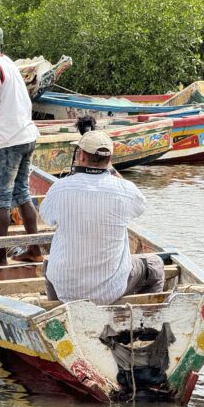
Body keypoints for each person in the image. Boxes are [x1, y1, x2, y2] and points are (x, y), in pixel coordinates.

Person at [39, 130, 165, 305]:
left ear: (81, 156)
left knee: (49, 265)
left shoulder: (59, 188)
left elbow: (46, 218)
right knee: (155, 265)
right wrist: (111, 170)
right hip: (110, 291)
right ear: (109, 160)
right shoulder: (126, 190)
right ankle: (145, 320)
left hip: (65, 289)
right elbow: (140, 206)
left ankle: (59, 312)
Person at [0, 24, 42, 268]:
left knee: (0, 197)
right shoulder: (10, 64)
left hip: (9, 141)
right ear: (1, 46)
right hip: (27, 136)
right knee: (22, 192)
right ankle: (34, 250)